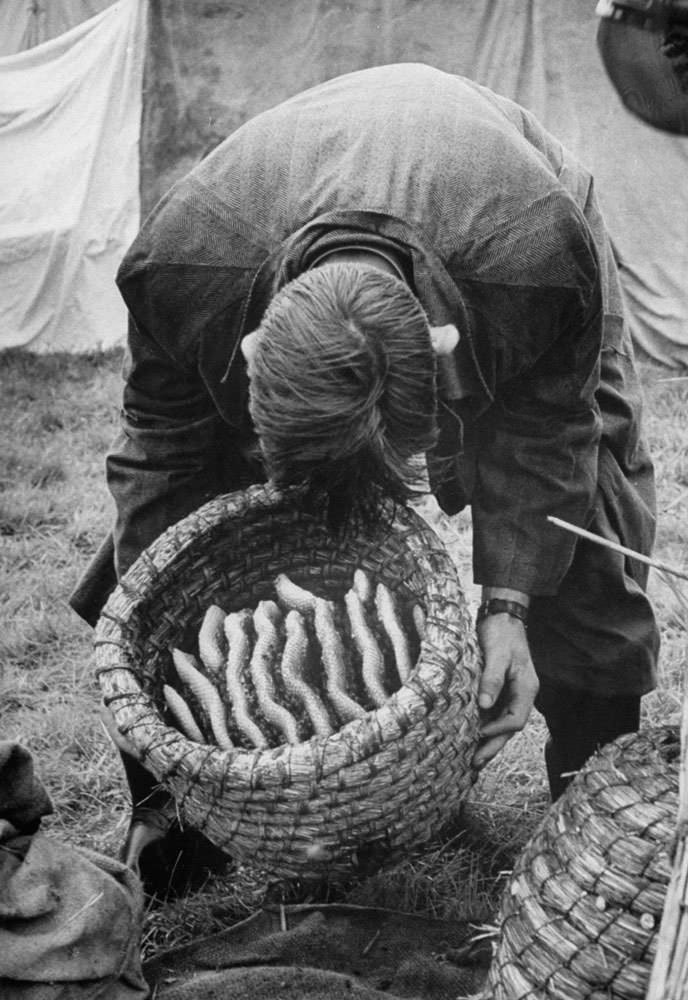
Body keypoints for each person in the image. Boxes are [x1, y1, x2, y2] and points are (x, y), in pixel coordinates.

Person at [70, 63, 659, 884]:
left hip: (508, 199)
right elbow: (160, 467)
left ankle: (593, 785)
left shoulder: (539, 258)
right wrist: (149, 639)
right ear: (249, 363)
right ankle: (173, 817)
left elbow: (549, 433)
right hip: (252, 230)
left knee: (591, 506)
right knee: (168, 549)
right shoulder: (178, 271)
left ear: (442, 349)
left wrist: (509, 606)